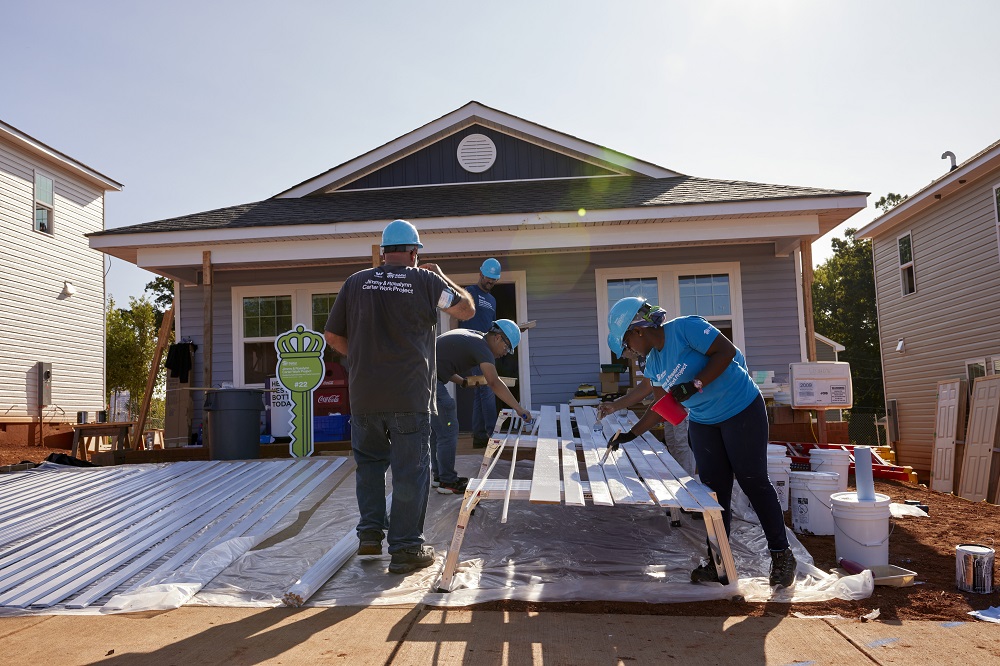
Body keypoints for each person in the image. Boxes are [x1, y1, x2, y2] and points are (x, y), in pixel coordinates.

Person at [605, 296, 796, 588]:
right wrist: (630, 435)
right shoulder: (654, 365)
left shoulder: (685, 329)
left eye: (627, 344)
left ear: (638, 329)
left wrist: (695, 384)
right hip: (705, 423)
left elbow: (726, 351)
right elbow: (664, 409)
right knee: (713, 494)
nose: (628, 352)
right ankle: (717, 561)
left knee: (752, 479)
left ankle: (781, 555)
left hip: (741, 409)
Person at [324, 219, 475, 574]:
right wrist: (444, 276)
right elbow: (466, 310)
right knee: (410, 471)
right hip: (408, 395)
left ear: (383, 251)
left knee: (371, 467)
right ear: (414, 252)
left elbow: (332, 336)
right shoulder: (425, 280)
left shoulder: (356, 282)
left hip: (365, 395)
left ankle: (370, 537)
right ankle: (406, 549)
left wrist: (362, 359)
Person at [431, 320, 533, 494]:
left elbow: (441, 362)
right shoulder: (483, 347)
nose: (505, 354)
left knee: (440, 428)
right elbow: (494, 382)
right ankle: (447, 481)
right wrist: (519, 408)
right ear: (498, 338)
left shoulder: (475, 338)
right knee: (448, 422)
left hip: (421, 373)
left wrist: (462, 381)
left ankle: (440, 476)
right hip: (426, 377)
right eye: (507, 348)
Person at [597, 377, 696, 475]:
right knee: (673, 443)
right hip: (674, 405)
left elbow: (660, 402)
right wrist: (615, 406)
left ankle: (688, 482)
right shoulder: (652, 365)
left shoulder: (663, 362)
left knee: (682, 446)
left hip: (695, 410)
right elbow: (650, 392)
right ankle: (680, 477)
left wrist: (631, 434)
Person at [457, 258, 502, 447]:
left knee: (480, 392)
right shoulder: (470, 293)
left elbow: (491, 326)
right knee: (488, 389)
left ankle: (479, 436)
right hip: (473, 347)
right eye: (488, 279)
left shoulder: (492, 300)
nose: (490, 283)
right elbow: (461, 315)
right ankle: (493, 435)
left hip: (487, 349)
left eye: (494, 280)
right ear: (481, 274)